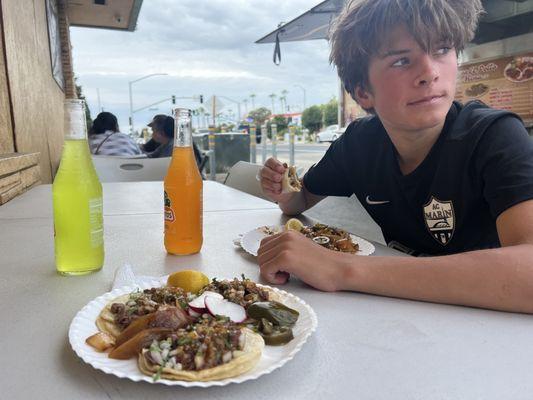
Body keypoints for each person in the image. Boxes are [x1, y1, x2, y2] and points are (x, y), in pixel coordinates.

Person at [258, 0, 533, 314]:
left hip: (495, 329)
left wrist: (341, 269)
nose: (430, 73)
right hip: (401, 317)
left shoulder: (494, 136)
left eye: (442, 49)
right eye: (402, 61)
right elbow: (301, 200)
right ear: (363, 92)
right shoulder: (359, 144)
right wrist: (283, 189)